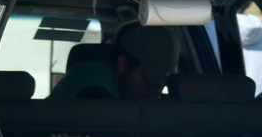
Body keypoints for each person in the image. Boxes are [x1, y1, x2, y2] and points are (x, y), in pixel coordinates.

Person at [49, 22, 179, 101]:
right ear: (122, 64)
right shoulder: (88, 75)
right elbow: (101, 115)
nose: (155, 89)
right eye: (148, 78)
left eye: (162, 80)